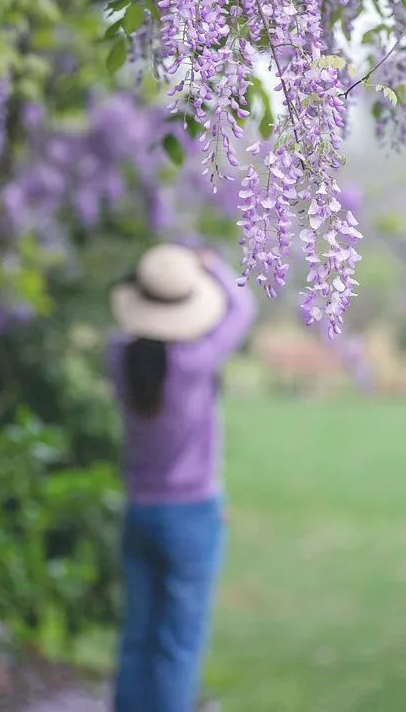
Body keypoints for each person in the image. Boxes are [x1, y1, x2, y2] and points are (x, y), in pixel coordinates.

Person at [107, 243, 255, 712]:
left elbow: (129, 325)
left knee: (139, 635)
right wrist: (212, 264)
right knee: (179, 643)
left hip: (139, 512)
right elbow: (243, 305)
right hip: (192, 514)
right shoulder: (194, 362)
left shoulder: (119, 357)